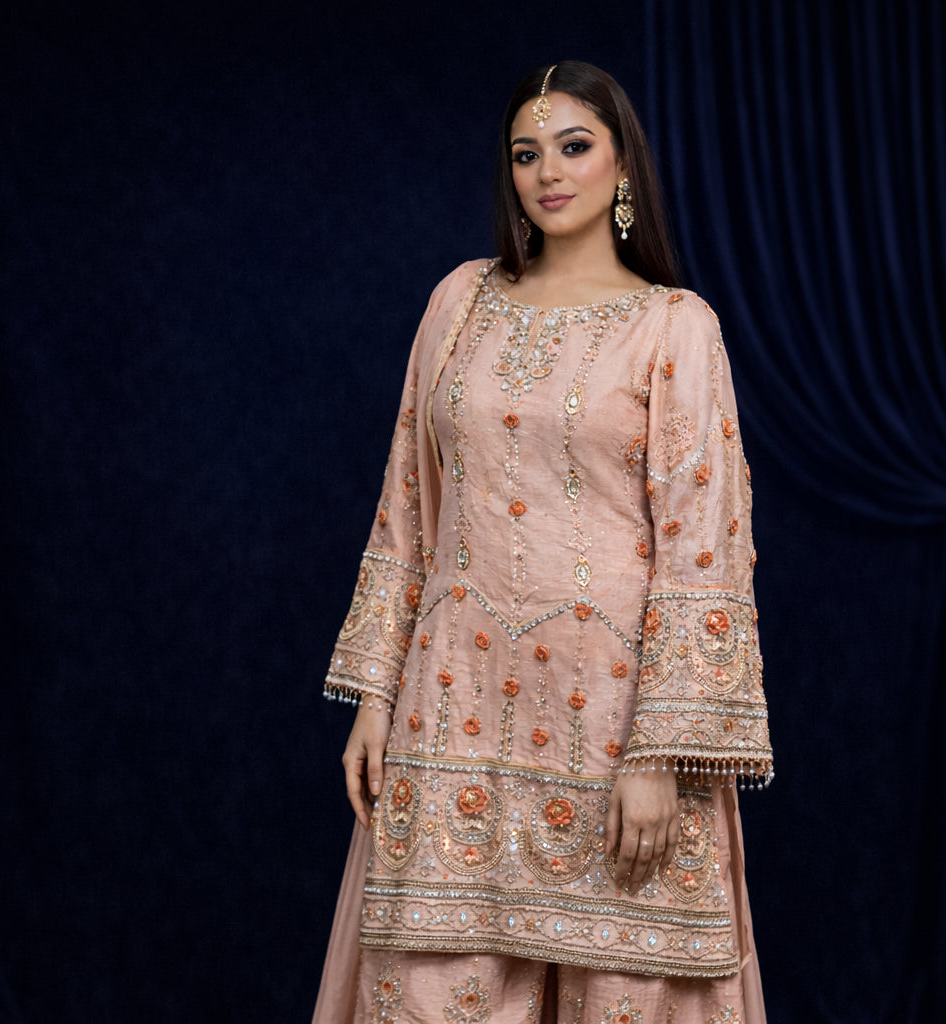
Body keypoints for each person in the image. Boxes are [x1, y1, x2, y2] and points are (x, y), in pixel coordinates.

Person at [311, 62, 775, 1024]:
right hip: (452, 710)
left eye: (574, 147)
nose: (547, 172)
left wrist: (662, 757)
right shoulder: (459, 303)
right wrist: (375, 694)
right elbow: (409, 503)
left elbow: (706, 548)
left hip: (614, 724)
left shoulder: (674, 328)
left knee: (629, 997)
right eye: (527, 153)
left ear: (622, 169)